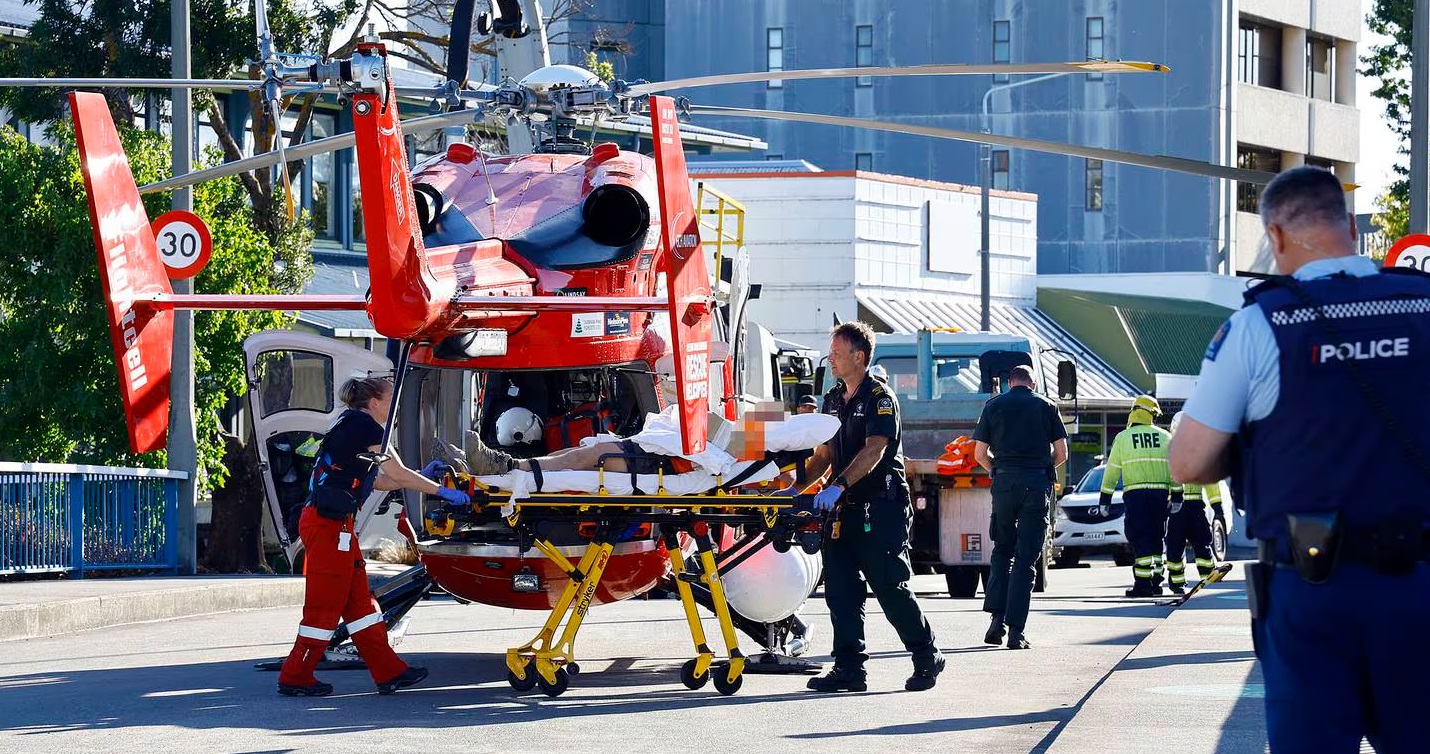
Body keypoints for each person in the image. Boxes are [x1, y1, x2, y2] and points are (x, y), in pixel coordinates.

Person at [1169, 166, 1430, 753]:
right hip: (1421, 585)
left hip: (1313, 590)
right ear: (1352, 231)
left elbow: (1187, 463)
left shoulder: (1259, 324)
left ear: (1278, 237)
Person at [277, 375, 471, 697]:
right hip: (328, 527)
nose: (394, 404)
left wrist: (419, 477)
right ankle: (296, 675)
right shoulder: (366, 427)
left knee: (360, 605)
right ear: (376, 402)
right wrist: (439, 490)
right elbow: (396, 473)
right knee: (324, 606)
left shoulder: (351, 425)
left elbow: (380, 481)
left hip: (335, 525)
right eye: (391, 397)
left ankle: (389, 672)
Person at [799, 321, 945, 692]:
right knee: (840, 591)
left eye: (836, 352)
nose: (830, 358)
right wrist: (792, 488)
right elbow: (824, 453)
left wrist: (839, 484)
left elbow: (875, 449)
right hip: (842, 511)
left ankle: (927, 655)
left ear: (858, 356)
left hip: (880, 508)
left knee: (890, 587)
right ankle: (849, 668)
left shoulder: (880, 398)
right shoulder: (832, 399)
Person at [971, 364, 1068, 649]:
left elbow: (979, 453)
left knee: (1002, 551)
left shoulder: (993, 405)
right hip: (1035, 486)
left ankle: (995, 621)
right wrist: (1041, 470)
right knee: (1026, 559)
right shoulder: (1047, 406)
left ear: (1009, 382)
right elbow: (1061, 452)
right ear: (1033, 384)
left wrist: (996, 470)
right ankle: (1016, 632)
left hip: (1003, 485)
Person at [1102, 394, 1178, 597]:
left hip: (1135, 496)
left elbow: (1111, 471)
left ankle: (1143, 584)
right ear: (1152, 414)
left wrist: (1105, 498)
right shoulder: (1165, 437)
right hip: (1160, 496)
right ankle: (1156, 582)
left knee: (1140, 537)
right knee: (1156, 537)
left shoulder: (1123, 438)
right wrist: (1177, 496)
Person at [1163, 411, 1222, 595]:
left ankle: (1180, 582)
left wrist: (1217, 506)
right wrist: (1217, 506)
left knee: (1180, 545)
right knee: (1195, 543)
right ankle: (1204, 576)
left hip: (1178, 508)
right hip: (1188, 507)